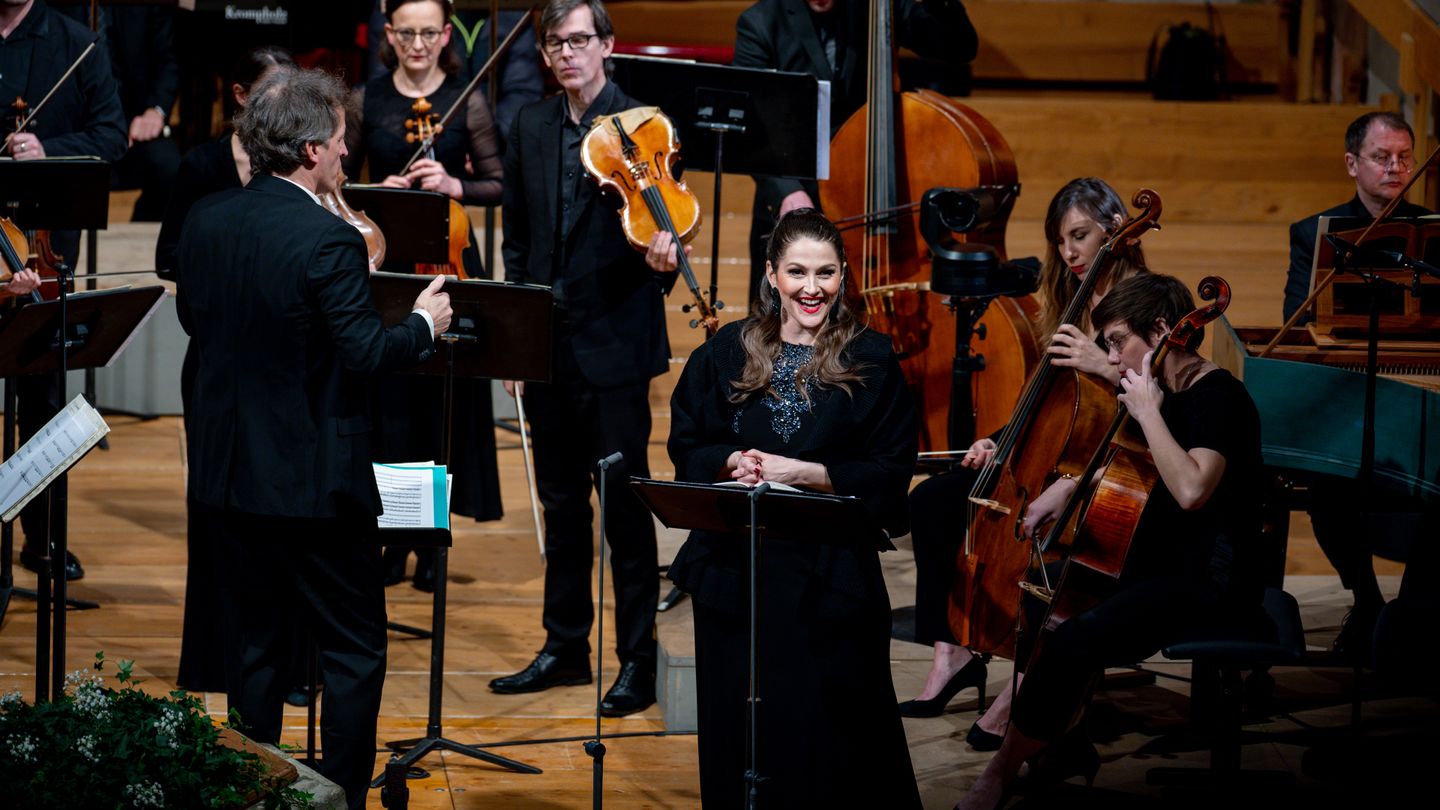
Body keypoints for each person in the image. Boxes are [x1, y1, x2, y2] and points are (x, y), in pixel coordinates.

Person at [175, 66, 452, 810]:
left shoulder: (203, 220)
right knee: (353, 650)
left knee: (256, 650)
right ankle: (337, 799)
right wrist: (425, 324)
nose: (343, 155)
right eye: (335, 143)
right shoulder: (327, 240)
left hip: (230, 482)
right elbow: (366, 353)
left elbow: (196, 327)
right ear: (305, 152)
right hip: (316, 489)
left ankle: (253, 791)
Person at [955, 272, 1265, 808]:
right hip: (1161, 562)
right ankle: (1059, 742)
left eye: (1118, 340)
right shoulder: (1164, 390)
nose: (1111, 355)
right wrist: (1070, 486)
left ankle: (1002, 770)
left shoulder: (1220, 398)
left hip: (1210, 580)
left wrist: (1147, 412)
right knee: (1051, 607)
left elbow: (1191, 488)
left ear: (1165, 329)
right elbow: (1140, 471)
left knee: (1076, 636)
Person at [666, 209, 920, 808]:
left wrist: (807, 474)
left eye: (826, 273)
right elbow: (687, 444)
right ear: (772, 275)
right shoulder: (726, 350)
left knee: (828, 735)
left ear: (843, 276)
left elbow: (890, 473)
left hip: (829, 578)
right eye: (798, 272)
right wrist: (730, 462)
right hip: (735, 572)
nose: (813, 288)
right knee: (739, 728)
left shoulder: (873, 359)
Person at [902, 179, 1146, 749]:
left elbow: (1170, 392)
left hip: (1111, 472)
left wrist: (1104, 366)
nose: (1069, 252)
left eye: (1080, 235)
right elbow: (1051, 406)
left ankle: (1031, 674)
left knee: (1043, 543)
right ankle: (954, 649)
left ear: (1116, 228)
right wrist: (999, 439)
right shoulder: (1068, 304)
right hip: (1049, 457)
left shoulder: (1149, 301)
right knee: (934, 503)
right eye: (1061, 240)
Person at [492, 0, 672, 717]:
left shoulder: (642, 127)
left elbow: (666, 231)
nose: (567, 53)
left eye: (579, 40)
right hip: (546, 346)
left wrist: (663, 260)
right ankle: (565, 646)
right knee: (561, 508)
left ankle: (638, 660)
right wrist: (513, 333)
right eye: (555, 43)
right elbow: (517, 238)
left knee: (626, 515)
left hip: (617, 349)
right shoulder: (531, 126)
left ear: (606, 46)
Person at [345, 0, 504, 591]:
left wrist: (454, 182)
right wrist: (371, 190)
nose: (417, 43)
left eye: (428, 33)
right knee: (391, 411)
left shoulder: (469, 99)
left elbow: (498, 182)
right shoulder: (368, 99)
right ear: (389, 34)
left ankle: (432, 546)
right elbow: (336, 182)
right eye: (406, 33)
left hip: (450, 261)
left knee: (443, 412)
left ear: (445, 36)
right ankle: (393, 538)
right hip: (390, 265)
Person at [156, 44, 297, 695]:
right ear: (242, 97)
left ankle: (287, 660)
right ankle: (216, 659)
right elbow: (168, 258)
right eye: (272, 94)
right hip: (215, 361)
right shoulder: (202, 167)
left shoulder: (300, 167)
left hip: (283, 366)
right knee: (214, 510)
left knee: (282, 512)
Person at [1284, 110, 1431, 659]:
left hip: (1421, 383)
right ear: (1352, 164)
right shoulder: (1313, 232)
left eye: (1404, 157)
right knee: (1330, 486)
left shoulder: (1434, 230)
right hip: (1349, 388)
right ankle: (1367, 599)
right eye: (1381, 157)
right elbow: (1297, 321)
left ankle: (1414, 609)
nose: (1395, 168)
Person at [731, 0, 979, 300]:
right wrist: (787, 192)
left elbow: (959, 48)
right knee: (776, 331)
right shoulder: (760, 22)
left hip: (868, 198)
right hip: (794, 198)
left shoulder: (878, 7)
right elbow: (755, 127)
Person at [2, 0, 127, 583]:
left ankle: (44, 538)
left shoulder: (78, 43)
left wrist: (46, 148)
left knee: (44, 403)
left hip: (44, 255)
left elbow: (112, 134)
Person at [56, 3, 181, 222]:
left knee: (170, 168)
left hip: (134, 121)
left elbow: (168, 61)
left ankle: (142, 238)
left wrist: (155, 111)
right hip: (74, 127)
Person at [365, 0, 543, 145]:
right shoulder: (404, 8)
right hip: (412, 139)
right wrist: (450, 142)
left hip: (493, 142)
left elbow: (523, 92)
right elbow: (384, 86)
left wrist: (481, 141)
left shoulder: (512, 12)